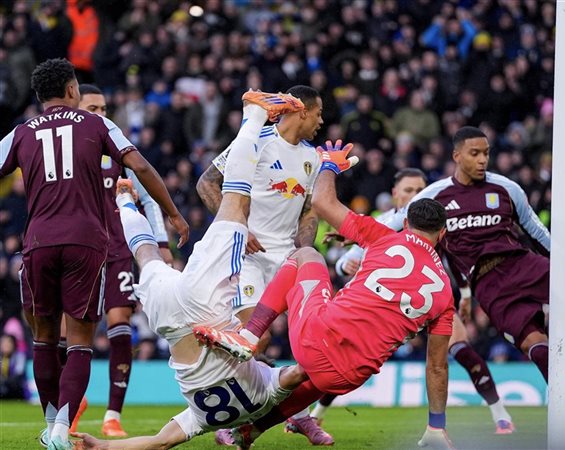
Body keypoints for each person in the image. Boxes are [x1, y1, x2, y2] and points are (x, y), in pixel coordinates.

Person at [75, 91, 311, 449]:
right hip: (168, 321)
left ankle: (253, 114)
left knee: (235, 202)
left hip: (205, 310)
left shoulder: (265, 395)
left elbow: (299, 374)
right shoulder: (202, 420)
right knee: (147, 256)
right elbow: (159, 443)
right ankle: (125, 201)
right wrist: (104, 447)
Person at [192, 140, 456, 450]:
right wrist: (436, 424)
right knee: (321, 375)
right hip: (348, 378)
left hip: (316, 339)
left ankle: (249, 336)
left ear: (406, 223)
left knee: (306, 254)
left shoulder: (385, 236)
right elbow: (437, 367)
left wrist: (329, 165)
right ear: (442, 233)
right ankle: (252, 430)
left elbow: (322, 202)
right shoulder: (444, 292)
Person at [386, 126, 565, 444]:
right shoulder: (436, 197)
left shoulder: (506, 188)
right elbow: (390, 225)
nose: (482, 160)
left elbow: (536, 232)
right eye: (475, 154)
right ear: (456, 156)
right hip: (488, 288)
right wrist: (353, 252)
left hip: (521, 264)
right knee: (536, 349)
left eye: (486, 153)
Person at [0, 58, 188, 450]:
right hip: (86, 242)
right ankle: (61, 430)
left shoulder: (20, 132)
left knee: (44, 339)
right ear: (72, 90)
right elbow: (140, 166)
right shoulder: (98, 124)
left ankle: (50, 424)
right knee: (80, 341)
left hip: (38, 242)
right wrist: (172, 213)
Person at [323, 167, 515, 434]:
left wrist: (465, 294)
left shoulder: (433, 221)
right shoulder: (383, 223)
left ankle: (499, 412)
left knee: (461, 348)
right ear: (395, 193)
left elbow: (454, 258)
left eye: (420, 190)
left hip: (430, 300)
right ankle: (317, 413)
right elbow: (347, 259)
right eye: (409, 190)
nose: (415, 194)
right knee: (349, 357)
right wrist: (346, 265)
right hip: (386, 305)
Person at [197, 84, 332, 445]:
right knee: (255, 338)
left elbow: (308, 212)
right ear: (302, 111)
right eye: (319, 113)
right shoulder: (257, 139)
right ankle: (230, 419)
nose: (321, 121)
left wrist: (304, 252)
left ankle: (297, 416)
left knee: (310, 339)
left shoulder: (312, 157)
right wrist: (238, 228)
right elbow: (207, 183)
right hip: (248, 258)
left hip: (286, 259)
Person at [60, 83, 172, 437]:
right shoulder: (67, 149)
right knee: (68, 330)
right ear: (77, 109)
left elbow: (148, 196)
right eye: (93, 108)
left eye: (104, 109)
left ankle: (113, 414)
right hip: (79, 248)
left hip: (117, 248)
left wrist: (162, 241)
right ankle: (74, 400)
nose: (101, 115)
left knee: (120, 320)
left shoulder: (116, 145)